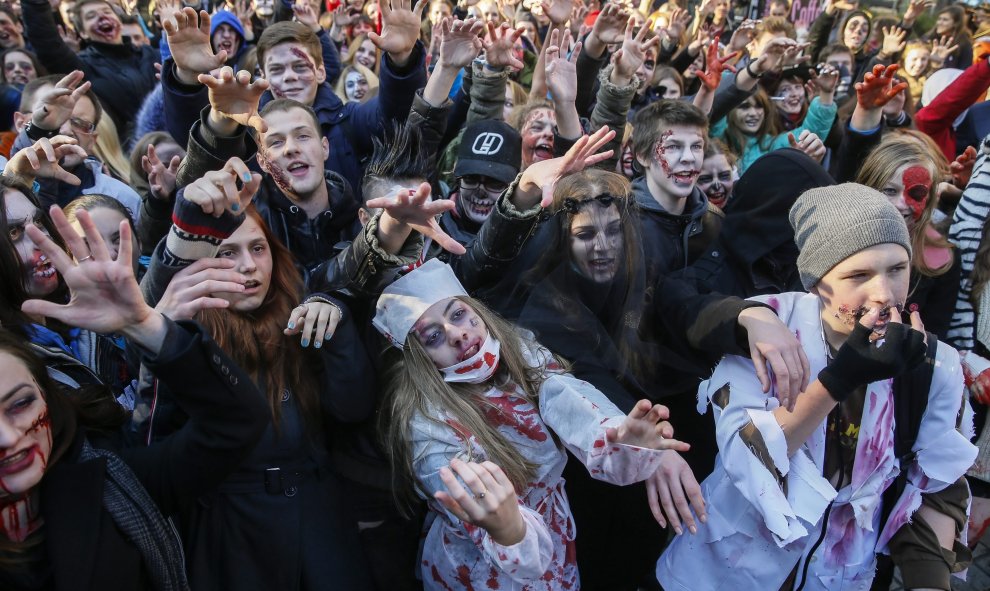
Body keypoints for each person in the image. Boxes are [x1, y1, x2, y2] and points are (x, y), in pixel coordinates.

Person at [658, 183, 976, 591]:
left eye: (897, 269)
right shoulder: (769, 328)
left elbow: (936, 480)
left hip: (838, 572)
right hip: (727, 566)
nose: (883, 293)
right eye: (858, 274)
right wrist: (841, 380)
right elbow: (746, 454)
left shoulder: (933, 363)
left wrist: (928, 580)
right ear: (815, 282)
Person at [0, 196, 269, 591]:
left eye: (21, 404)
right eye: (13, 233)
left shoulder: (105, 479)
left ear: (49, 396)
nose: (8, 437)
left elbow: (238, 422)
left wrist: (145, 326)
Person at [373, 257, 688, 589]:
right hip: (482, 567)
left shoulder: (520, 353)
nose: (458, 333)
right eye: (434, 337)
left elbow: (567, 401)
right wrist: (509, 531)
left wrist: (623, 438)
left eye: (458, 314)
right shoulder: (428, 429)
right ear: (420, 361)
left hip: (554, 537)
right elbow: (503, 538)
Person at [139, 158, 377, 589]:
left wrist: (337, 321)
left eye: (258, 248)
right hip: (231, 535)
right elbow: (154, 438)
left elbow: (353, 409)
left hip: (321, 524)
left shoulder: (301, 302)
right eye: (227, 253)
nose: (248, 266)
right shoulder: (185, 331)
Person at [855, 132, 960, 340]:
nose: (901, 204)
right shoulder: (839, 242)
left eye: (916, 194)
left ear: (929, 199)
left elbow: (934, 338)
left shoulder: (942, 260)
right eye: (890, 191)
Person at [20, 0, 158, 141]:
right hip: (129, 150)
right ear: (83, 33)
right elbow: (46, 43)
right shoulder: (83, 66)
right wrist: (36, 4)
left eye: (107, 12)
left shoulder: (149, 54)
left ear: (120, 22)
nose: (102, 17)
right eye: (91, 16)